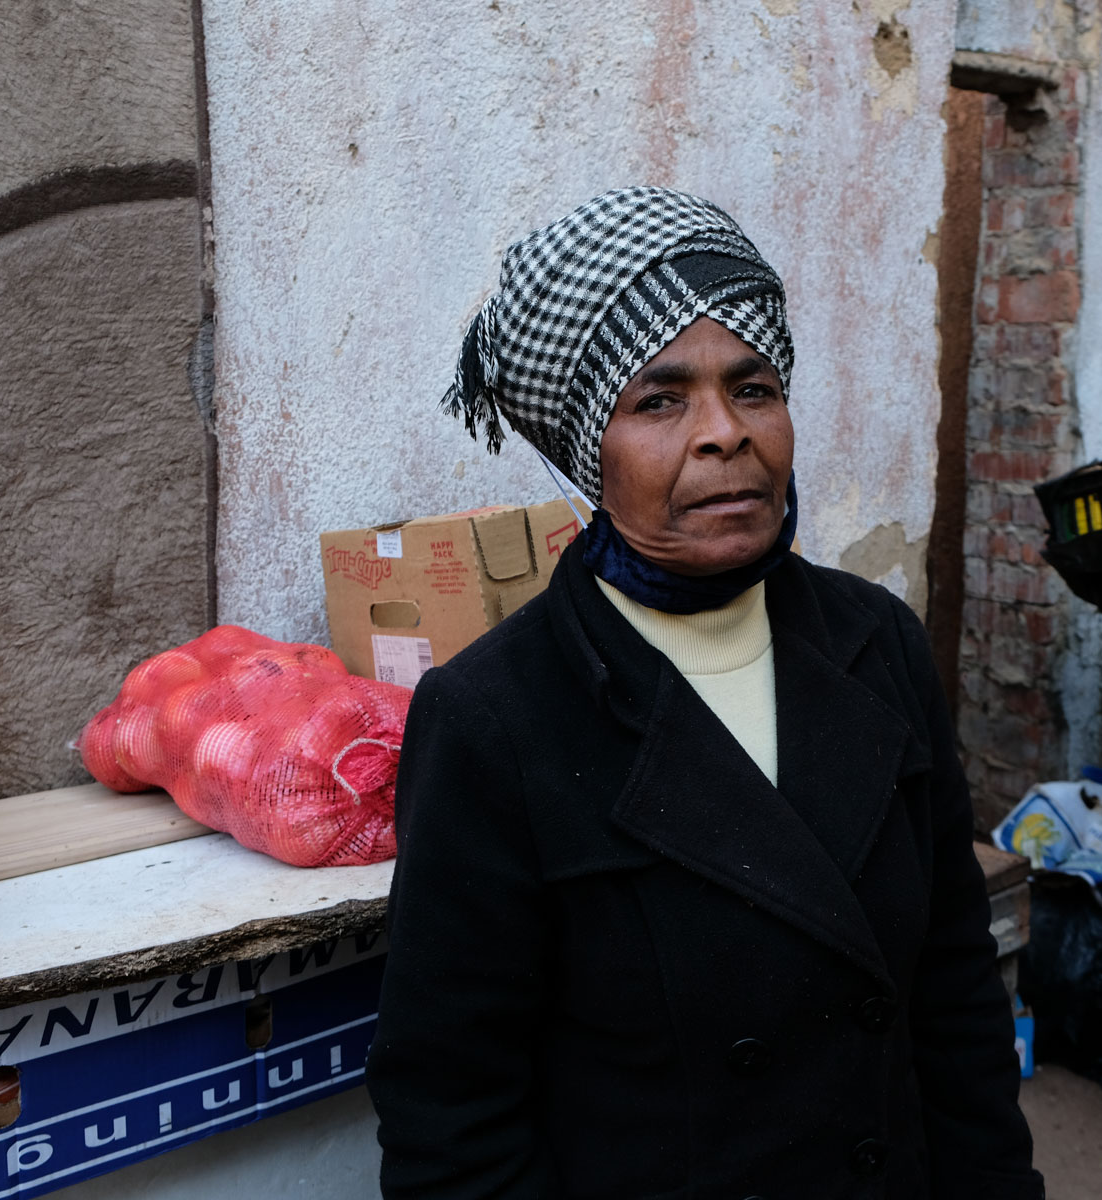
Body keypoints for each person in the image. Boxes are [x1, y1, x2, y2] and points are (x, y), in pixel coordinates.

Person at [366, 187, 1041, 1199]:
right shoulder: (495, 717)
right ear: (586, 446)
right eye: (660, 400)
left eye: (754, 387)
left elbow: (954, 999)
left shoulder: (878, 645)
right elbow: (451, 1114)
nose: (726, 434)